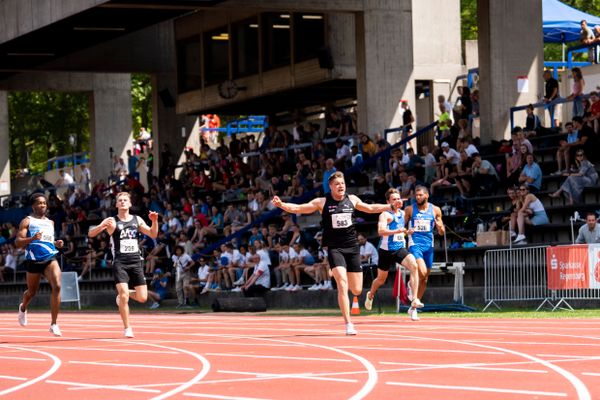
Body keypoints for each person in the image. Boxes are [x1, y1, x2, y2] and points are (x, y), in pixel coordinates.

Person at [272, 171, 392, 335]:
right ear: (330, 187)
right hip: (335, 248)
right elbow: (300, 208)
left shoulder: (352, 200)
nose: (341, 186)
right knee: (342, 284)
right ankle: (348, 323)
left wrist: (389, 206)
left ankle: (347, 283)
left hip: (352, 248)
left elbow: (370, 208)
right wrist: (282, 205)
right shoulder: (322, 202)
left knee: (356, 290)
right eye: (337, 184)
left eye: (342, 183)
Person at [88, 192, 159, 338]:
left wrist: (154, 221)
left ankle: (122, 296)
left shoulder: (137, 219)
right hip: (120, 262)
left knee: (142, 298)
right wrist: (101, 225)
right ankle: (127, 328)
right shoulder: (112, 221)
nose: (122, 202)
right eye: (119, 200)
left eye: (125, 200)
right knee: (124, 294)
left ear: (130, 203)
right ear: (116, 204)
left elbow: (153, 234)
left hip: (135, 262)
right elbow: (91, 234)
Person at [365, 189, 423, 316]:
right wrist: (397, 231)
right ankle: (371, 294)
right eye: (394, 199)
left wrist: (407, 232)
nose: (397, 201)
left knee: (414, 266)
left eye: (398, 198)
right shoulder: (385, 215)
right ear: (388, 202)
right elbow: (381, 231)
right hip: (385, 251)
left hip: (399, 249)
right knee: (381, 279)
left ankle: (414, 300)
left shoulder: (403, 214)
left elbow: (402, 230)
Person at [16, 193, 64, 336]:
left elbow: (48, 241)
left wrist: (57, 243)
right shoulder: (27, 221)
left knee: (57, 286)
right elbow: (18, 242)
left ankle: (54, 324)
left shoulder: (51, 223)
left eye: (44, 203)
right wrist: (31, 238)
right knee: (31, 293)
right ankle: (23, 307)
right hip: (33, 260)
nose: (43, 205)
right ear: (33, 206)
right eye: (39, 203)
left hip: (50, 258)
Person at [404, 186, 445, 321]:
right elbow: (402, 227)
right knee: (420, 271)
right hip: (415, 244)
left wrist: (440, 227)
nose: (418, 197)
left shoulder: (435, 210)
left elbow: (441, 231)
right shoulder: (410, 209)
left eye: (421, 195)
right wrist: (405, 232)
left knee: (425, 278)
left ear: (427, 195)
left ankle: (414, 307)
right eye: (416, 195)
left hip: (429, 246)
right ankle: (411, 285)